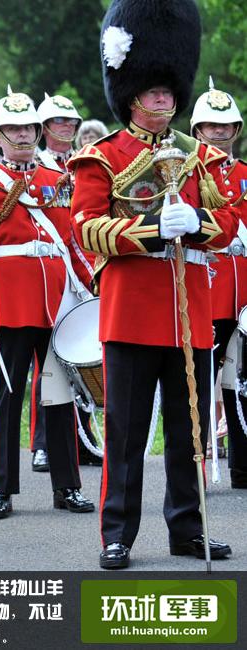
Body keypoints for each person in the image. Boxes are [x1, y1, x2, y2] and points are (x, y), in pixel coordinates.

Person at [68, 0, 235, 569]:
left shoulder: (201, 158)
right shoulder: (103, 157)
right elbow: (87, 227)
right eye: (153, 90)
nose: (163, 98)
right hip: (133, 309)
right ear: (131, 92)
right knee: (126, 435)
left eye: (169, 90)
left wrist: (201, 224)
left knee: (190, 432)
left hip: (191, 307)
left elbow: (232, 222)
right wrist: (150, 229)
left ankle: (187, 529)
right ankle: (117, 533)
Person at [0, 86, 94, 520]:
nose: (23, 134)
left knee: (59, 396)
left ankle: (67, 486)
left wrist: (93, 290)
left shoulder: (57, 182)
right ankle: (1, 489)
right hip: (9, 308)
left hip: (56, 306)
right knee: (7, 402)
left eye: (29, 127)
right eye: (13, 128)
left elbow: (71, 244)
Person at [31, 93, 102, 469]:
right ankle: (43, 442)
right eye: (60, 122)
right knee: (48, 365)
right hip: (51, 275)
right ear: (44, 129)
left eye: (71, 123)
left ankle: (82, 436)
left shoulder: (79, 165)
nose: (68, 128)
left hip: (82, 271)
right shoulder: (36, 166)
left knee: (81, 356)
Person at [189, 77, 247, 489]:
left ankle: (242, 466)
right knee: (198, 382)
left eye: (227, 125)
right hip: (205, 285)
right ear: (197, 131)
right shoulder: (186, 172)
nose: (220, 132)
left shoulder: (245, 173)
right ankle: (194, 466)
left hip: (243, 288)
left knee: (241, 381)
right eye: (212, 126)